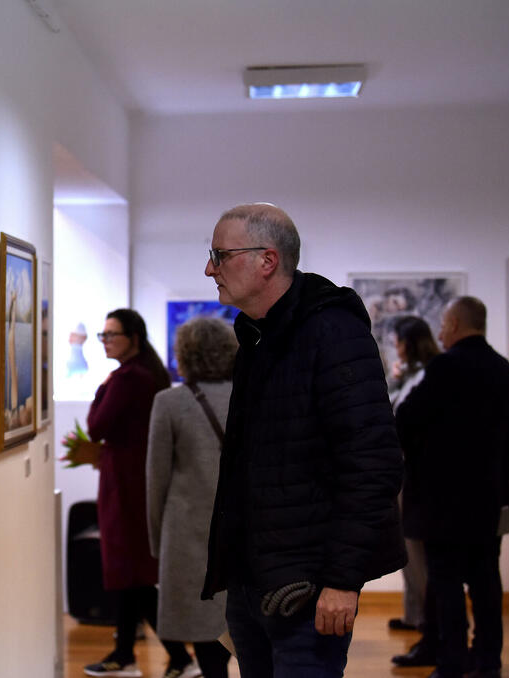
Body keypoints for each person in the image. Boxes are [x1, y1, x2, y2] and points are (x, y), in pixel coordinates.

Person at [200, 203, 406, 677]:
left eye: (219, 254)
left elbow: (373, 464)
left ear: (267, 260)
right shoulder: (257, 335)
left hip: (306, 590)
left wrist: (341, 581)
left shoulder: (331, 334)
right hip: (255, 582)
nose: (209, 268)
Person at [395, 296, 509, 678]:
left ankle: (451, 661)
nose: (442, 331)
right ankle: (488, 661)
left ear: (457, 324)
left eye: (445, 323)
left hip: (443, 501)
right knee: (486, 584)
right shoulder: (503, 369)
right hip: (490, 500)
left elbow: (406, 419)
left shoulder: (446, 367)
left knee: (445, 584)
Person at [63, 308, 172, 677]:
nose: (105, 341)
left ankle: (183, 654)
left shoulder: (126, 379)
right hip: (137, 481)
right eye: (102, 335)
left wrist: (105, 386)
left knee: (132, 572)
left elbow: (96, 426)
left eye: (112, 335)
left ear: (134, 339)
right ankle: (124, 653)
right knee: (131, 573)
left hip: (126, 486)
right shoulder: (149, 374)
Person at [147, 317, 237, 678]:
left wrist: (157, 542)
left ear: (183, 353)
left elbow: (156, 480)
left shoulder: (169, 402)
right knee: (233, 617)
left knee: (199, 620)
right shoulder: (249, 395)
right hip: (240, 530)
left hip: (187, 529)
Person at [385, 316, 440, 657]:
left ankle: (426, 624)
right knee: (407, 549)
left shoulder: (427, 377)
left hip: (417, 475)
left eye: (399, 341)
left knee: (417, 552)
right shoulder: (410, 376)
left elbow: (404, 421)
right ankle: (414, 615)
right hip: (403, 472)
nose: (396, 347)